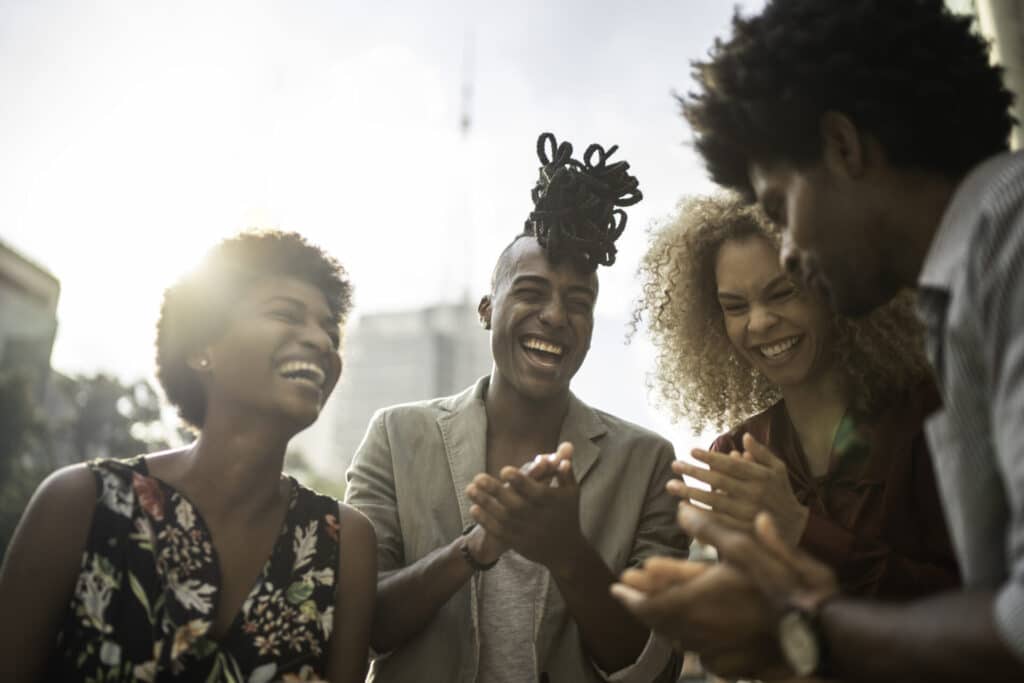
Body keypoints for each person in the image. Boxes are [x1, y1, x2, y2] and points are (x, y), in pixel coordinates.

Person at [611, 1, 1024, 681]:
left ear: (843, 147)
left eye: (780, 207)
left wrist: (802, 629)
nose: (795, 251)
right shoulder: (965, 289)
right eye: (735, 305)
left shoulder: (1008, 246)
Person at [345, 132, 689, 682]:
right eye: (530, 292)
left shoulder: (647, 463)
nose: (555, 315)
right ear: (487, 309)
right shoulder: (396, 436)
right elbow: (361, 625)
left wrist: (568, 552)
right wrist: (476, 548)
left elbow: (653, 667)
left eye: (579, 302)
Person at [0, 231, 376, 682]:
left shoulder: (345, 544)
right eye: (285, 314)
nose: (321, 340)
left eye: (329, 329)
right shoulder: (80, 504)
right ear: (202, 349)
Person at [635, 193, 957, 600]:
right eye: (735, 307)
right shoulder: (736, 455)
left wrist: (802, 529)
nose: (760, 322)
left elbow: (982, 603)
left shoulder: (926, 414)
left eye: (782, 292)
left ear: (832, 285)